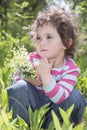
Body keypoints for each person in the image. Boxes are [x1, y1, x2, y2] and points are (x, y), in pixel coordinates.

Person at [7, 7, 87, 129]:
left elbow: (59, 98)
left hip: (56, 111)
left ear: (67, 42)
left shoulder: (70, 69)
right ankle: (22, 126)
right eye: (39, 38)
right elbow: (16, 81)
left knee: (76, 97)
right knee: (19, 87)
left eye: (49, 37)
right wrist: (27, 78)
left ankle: (57, 127)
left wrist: (46, 75)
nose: (42, 42)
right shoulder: (33, 59)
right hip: (32, 110)